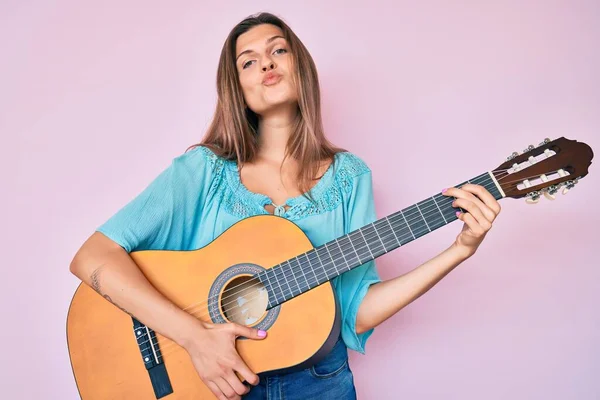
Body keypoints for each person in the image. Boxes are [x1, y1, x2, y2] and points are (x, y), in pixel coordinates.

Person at [69, 12, 502, 400]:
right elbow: (92, 257)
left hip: (320, 383)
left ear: (301, 68)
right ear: (237, 87)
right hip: (213, 384)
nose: (267, 63)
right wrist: (195, 338)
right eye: (249, 61)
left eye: (278, 50)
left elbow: (357, 312)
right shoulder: (203, 170)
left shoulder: (350, 176)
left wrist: (459, 251)